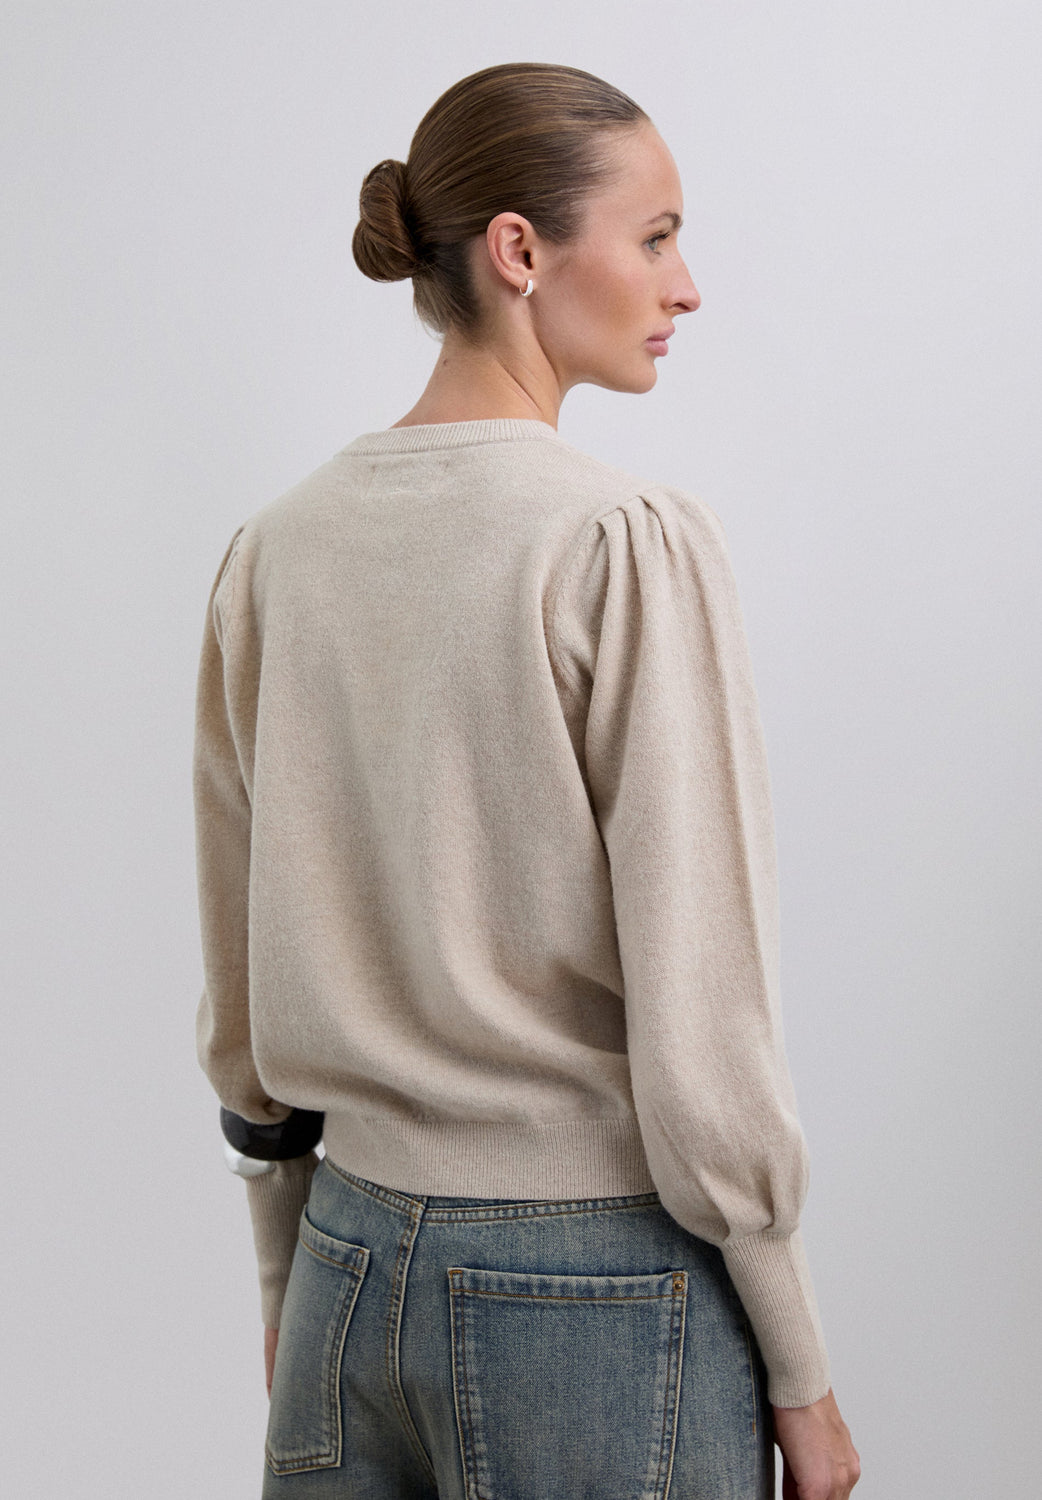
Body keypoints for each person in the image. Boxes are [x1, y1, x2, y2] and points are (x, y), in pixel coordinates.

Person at [193, 60, 861, 1499]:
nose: (686, 288)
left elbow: (239, 970)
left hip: (344, 1264)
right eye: (656, 236)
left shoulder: (276, 550)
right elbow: (704, 1006)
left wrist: (286, 1277)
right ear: (518, 250)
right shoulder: (618, 542)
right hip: (591, 1288)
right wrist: (800, 1365)